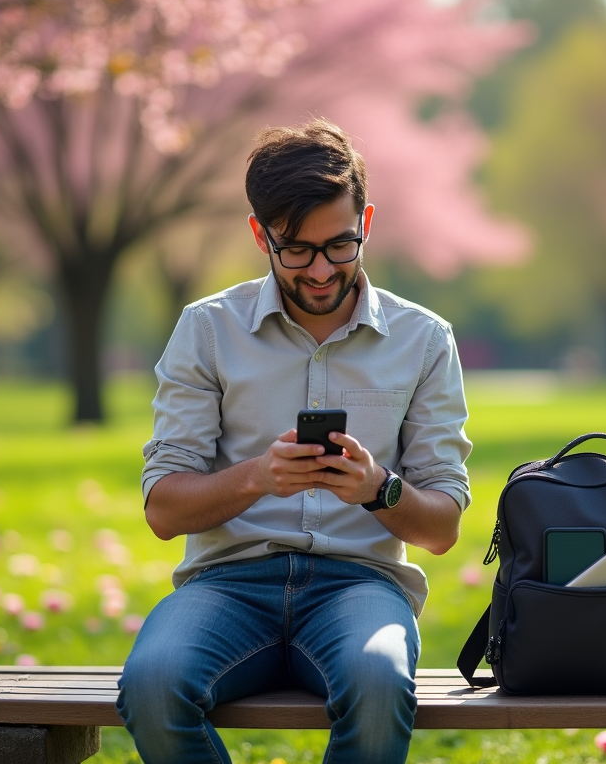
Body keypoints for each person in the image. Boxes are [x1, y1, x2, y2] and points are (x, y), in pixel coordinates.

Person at [116, 118, 472, 763]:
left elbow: (442, 529)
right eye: (296, 250)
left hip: (360, 586)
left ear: (366, 222)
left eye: (340, 245)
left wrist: (379, 489)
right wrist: (258, 476)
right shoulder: (207, 331)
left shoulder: (423, 340)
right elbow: (164, 511)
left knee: (378, 680)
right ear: (260, 235)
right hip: (225, 586)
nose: (320, 270)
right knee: (151, 685)